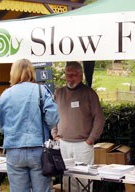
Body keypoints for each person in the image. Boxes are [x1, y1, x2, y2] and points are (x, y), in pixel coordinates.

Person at [0, 58, 59, 192]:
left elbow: (1, 125)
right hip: (38, 149)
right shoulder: (41, 90)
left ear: (13, 73)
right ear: (32, 72)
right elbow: (53, 118)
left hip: (14, 150)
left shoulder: (5, 95)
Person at [51, 61, 105, 192]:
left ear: (81, 75)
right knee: (67, 180)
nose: (69, 78)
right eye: (67, 75)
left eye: (73, 75)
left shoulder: (89, 93)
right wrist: (54, 134)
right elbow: (52, 115)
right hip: (63, 143)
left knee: (84, 180)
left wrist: (90, 139)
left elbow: (99, 118)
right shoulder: (59, 93)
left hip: (83, 144)